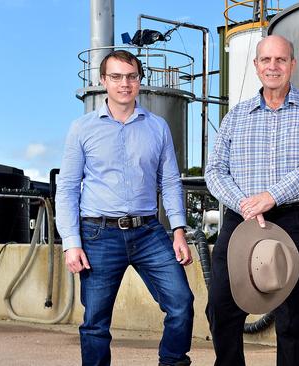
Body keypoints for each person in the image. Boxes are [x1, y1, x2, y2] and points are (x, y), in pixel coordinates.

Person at [204, 34, 299, 366]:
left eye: (280, 60)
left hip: (298, 220)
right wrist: (245, 203)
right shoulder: (235, 117)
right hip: (243, 219)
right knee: (222, 308)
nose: (273, 66)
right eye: (266, 60)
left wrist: (271, 196)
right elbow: (214, 170)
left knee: (293, 316)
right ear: (255, 66)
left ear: (292, 64)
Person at [55, 50, 194, 366]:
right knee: (95, 322)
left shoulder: (158, 128)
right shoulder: (82, 128)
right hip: (97, 234)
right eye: (116, 76)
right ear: (103, 81)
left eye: (131, 76)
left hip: (148, 232)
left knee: (181, 302)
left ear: (140, 81)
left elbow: (170, 182)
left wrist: (178, 231)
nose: (124, 83)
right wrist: (71, 244)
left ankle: (172, 361)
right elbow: (67, 189)